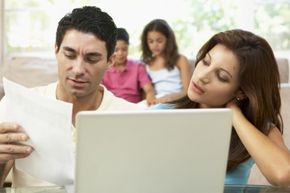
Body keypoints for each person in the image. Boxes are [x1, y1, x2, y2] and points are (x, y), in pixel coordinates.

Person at [0, 6, 142, 187]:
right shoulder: (18, 106)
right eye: (69, 54)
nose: (78, 70)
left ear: (110, 61)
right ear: (56, 50)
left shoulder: (132, 117)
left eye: (92, 58)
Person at [152, 29, 290, 186]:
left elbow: (284, 174)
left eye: (221, 76)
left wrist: (234, 114)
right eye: (205, 61)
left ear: (241, 91)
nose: (202, 76)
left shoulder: (257, 129)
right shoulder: (160, 114)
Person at [140, 19, 191, 104]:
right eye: (151, 41)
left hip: (177, 101)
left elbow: (188, 91)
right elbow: (147, 92)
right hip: (158, 102)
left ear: (168, 40)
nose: (155, 45)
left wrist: (170, 98)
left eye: (159, 41)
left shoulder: (180, 60)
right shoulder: (146, 65)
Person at [102, 28, 156, 106]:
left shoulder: (138, 66)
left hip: (133, 108)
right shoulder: (104, 68)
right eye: (116, 50)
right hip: (112, 108)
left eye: (124, 49)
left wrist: (150, 95)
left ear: (128, 48)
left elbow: (149, 89)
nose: (120, 53)